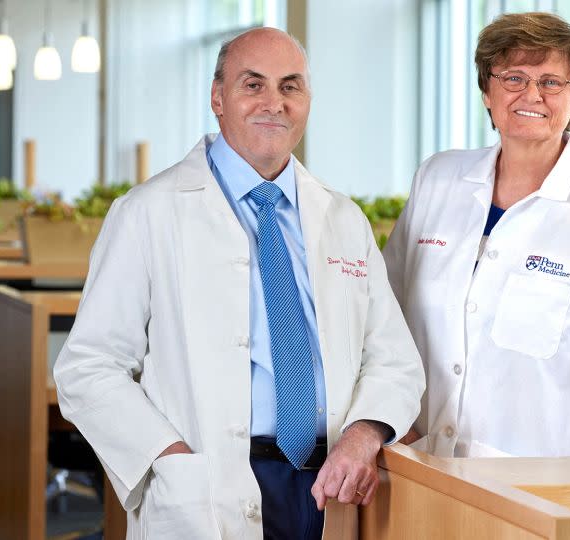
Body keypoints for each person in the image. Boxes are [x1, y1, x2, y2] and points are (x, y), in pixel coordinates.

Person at [54, 27, 424, 540]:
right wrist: (171, 458)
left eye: (290, 86)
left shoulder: (342, 217)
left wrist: (364, 434)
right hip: (208, 485)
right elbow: (87, 367)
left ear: (307, 101)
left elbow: (394, 358)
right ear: (217, 98)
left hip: (331, 484)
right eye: (253, 85)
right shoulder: (148, 212)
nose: (274, 102)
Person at [382, 12, 570, 539]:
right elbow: (385, 319)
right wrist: (391, 426)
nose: (531, 94)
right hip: (422, 475)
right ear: (487, 92)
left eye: (551, 82)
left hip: (549, 498)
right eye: (513, 78)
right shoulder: (438, 178)